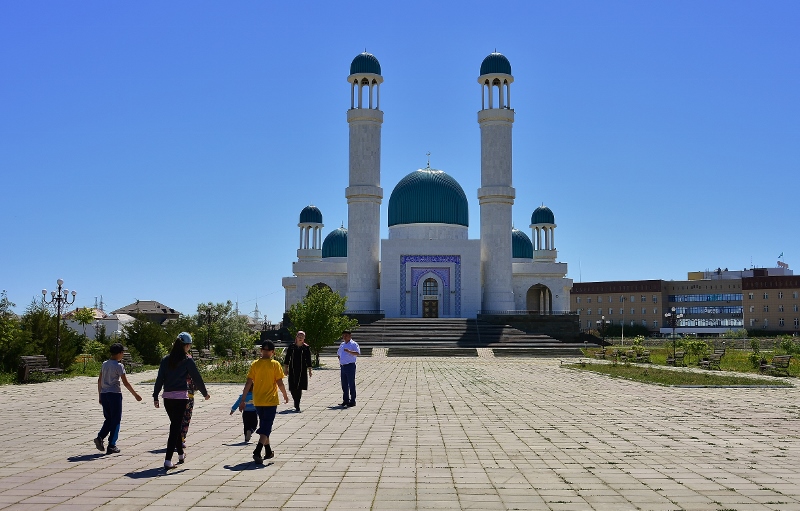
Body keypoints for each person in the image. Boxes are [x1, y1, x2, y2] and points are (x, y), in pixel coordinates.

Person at [153, 332, 210, 470]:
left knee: (175, 425)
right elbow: (197, 377)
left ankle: (180, 454)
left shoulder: (166, 359)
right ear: (186, 345)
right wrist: (205, 393)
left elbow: (160, 378)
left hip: (167, 398)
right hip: (180, 399)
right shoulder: (187, 360)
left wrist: (155, 396)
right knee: (174, 428)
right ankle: (167, 460)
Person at [239, 340, 288, 464]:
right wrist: (285, 395)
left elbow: (248, 383)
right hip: (271, 401)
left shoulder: (255, 364)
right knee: (266, 427)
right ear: (273, 352)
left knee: (264, 425)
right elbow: (280, 383)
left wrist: (243, 400)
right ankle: (257, 451)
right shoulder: (275, 364)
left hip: (258, 401)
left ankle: (268, 451)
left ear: (262, 351)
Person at [93, 343, 142, 454]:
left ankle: (100, 437)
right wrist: (135, 395)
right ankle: (112, 445)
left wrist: (100, 395)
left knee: (108, 419)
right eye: (122, 353)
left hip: (104, 394)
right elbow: (125, 383)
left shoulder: (104, 364)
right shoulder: (119, 366)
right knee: (115, 420)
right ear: (120, 353)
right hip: (114, 395)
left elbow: (99, 380)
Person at [283, 330, 312, 412]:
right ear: (296, 337)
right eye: (299, 337)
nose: (300, 338)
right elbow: (287, 358)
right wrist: (286, 368)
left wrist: (310, 370)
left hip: (302, 370)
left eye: (302, 337)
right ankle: (295, 400)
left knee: (299, 387)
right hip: (292, 369)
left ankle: (297, 403)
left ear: (304, 338)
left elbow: (308, 359)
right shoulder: (291, 347)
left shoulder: (306, 347)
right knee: (292, 387)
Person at [337, 330, 360, 408]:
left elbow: (357, 353)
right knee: (344, 384)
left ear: (350, 336)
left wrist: (349, 351)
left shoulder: (353, 344)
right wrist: (340, 360)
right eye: (343, 335)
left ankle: (352, 400)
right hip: (343, 366)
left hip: (350, 366)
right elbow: (338, 353)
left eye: (346, 335)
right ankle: (345, 400)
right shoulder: (342, 344)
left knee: (351, 383)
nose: (344, 337)